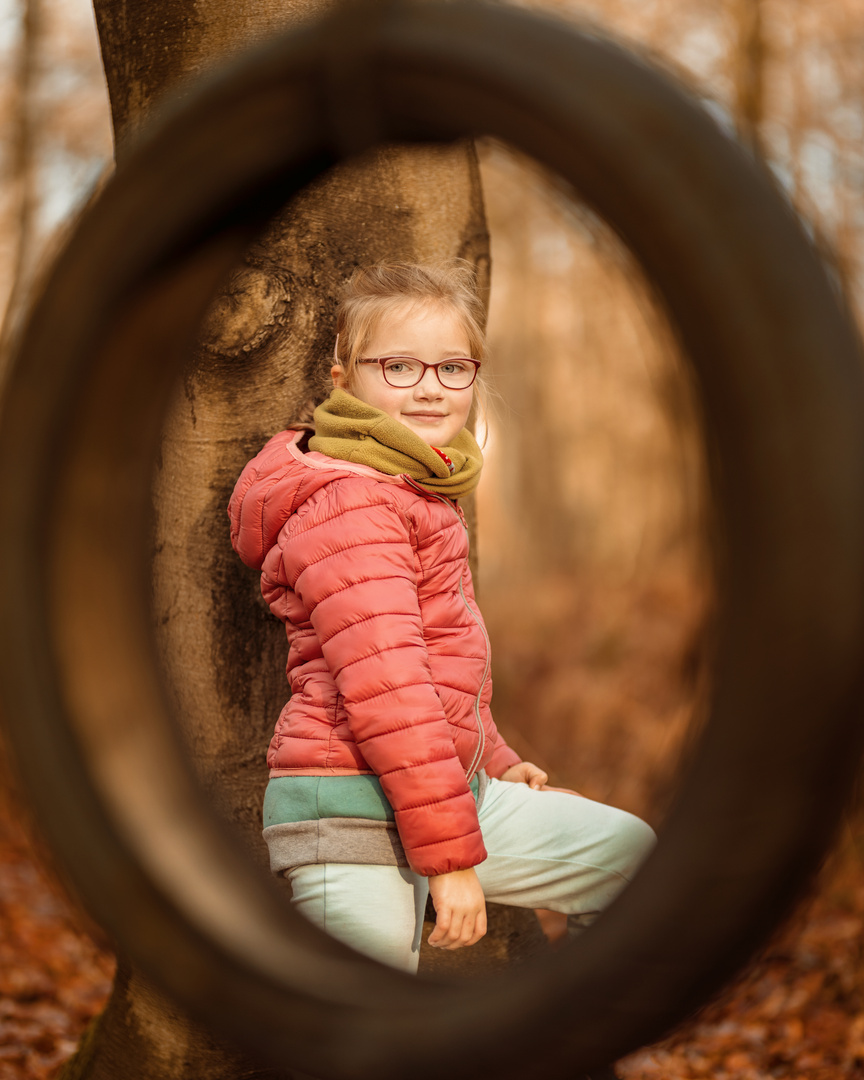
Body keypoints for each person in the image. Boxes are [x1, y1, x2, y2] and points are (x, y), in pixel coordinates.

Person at [228, 260, 655, 976]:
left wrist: (494, 756)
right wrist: (452, 862)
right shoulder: (352, 502)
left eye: (453, 367)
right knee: (368, 1042)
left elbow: (436, 658)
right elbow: (390, 688)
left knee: (626, 859)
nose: (430, 386)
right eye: (398, 365)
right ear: (343, 379)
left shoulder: (415, 488)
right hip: (351, 809)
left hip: (443, 794)